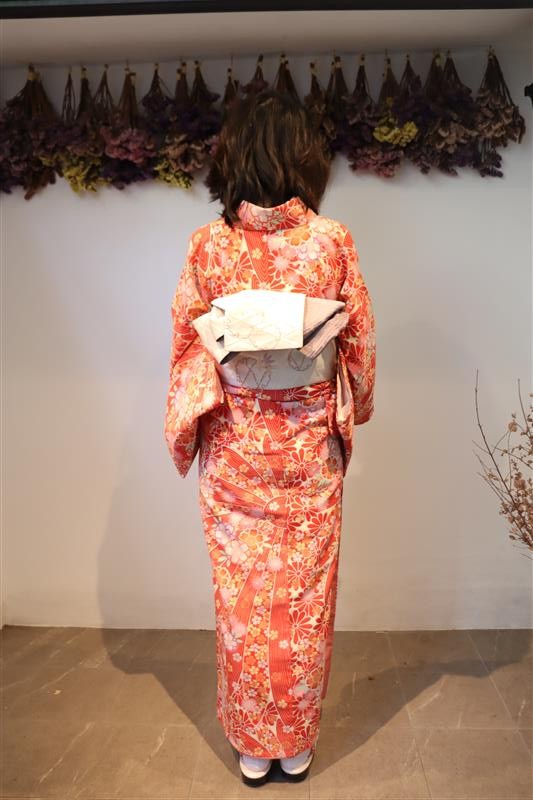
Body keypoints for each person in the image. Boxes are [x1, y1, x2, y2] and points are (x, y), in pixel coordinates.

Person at [164, 88, 376, 786]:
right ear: (305, 159)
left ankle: (254, 744)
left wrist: (201, 409)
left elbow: (187, 344)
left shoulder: (207, 246)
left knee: (243, 595)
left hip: (235, 448)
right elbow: (359, 344)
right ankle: (296, 740)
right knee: (304, 594)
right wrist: (354, 408)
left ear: (232, 158)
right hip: (308, 447)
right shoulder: (330, 240)